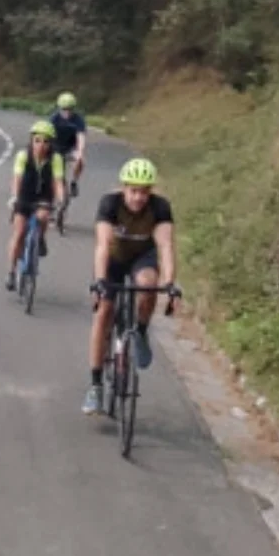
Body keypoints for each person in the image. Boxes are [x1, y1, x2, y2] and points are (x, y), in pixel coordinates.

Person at [84, 157, 178, 415]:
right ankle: (95, 386)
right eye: (134, 191)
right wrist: (100, 281)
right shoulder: (110, 204)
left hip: (141, 258)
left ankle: (141, 331)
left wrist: (170, 284)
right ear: (124, 188)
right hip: (113, 259)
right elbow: (102, 245)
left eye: (145, 191)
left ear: (151, 192)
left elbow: (166, 247)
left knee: (148, 284)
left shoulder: (159, 208)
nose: (138, 197)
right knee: (104, 311)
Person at [6, 120, 66, 291]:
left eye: (46, 141)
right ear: (31, 140)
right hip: (24, 194)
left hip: (43, 196)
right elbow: (17, 178)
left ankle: (40, 238)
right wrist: (15, 197)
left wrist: (61, 200)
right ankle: (11, 271)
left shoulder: (55, 159)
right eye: (37, 140)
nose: (41, 145)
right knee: (18, 233)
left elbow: (58, 182)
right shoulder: (23, 155)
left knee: (43, 216)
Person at [49, 92, 87, 199]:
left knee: (81, 160)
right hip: (56, 147)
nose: (67, 112)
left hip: (70, 148)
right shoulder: (54, 119)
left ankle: (74, 182)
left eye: (70, 109)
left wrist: (80, 151)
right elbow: (48, 136)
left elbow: (81, 137)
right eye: (64, 109)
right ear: (59, 108)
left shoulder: (78, 119)